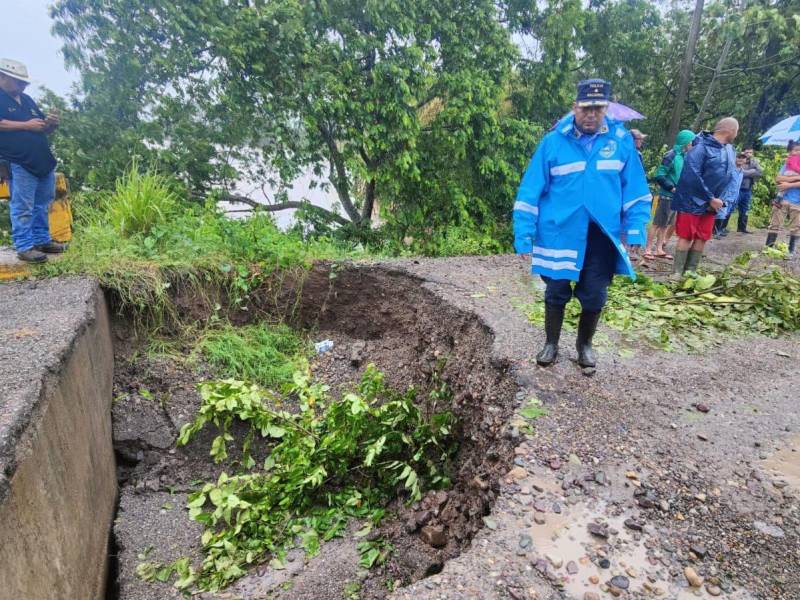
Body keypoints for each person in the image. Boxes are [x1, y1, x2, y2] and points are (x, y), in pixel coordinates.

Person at [514, 79, 651, 369]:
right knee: (556, 289)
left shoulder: (620, 142)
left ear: (606, 109)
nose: (591, 114)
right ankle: (551, 343)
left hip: (601, 235)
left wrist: (636, 229)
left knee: (595, 294)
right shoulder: (553, 142)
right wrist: (523, 233)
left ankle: (584, 346)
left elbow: (636, 191)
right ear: (575, 107)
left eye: (598, 108)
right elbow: (530, 190)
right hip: (559, 233)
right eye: (586, 108)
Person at [0, 58, 63, 263]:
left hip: (41, 160)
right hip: (18, 161)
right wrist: (26, 125)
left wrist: (51, 124)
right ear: (3, 77)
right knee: (23, 204)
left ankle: (42, 239)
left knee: (42, 202)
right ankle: (25, 246)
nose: (22, 85)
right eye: (18, 81)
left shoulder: (27, 100)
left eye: (24, 82)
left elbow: (41, 126)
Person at [670, 117, 739, 275]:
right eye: (736, 131)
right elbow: (692, 175)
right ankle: (677, 273)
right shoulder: (700, 147)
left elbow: (729, 175)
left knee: (702, 236)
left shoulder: (729, 149)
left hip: (713, 202)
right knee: (687, 236)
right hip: (692, 199)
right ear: (729, 130)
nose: (736, 134)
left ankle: (690, 272)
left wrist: (721, 199)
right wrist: (709, 197)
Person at [645, 129, 695, 259]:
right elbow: (659, 175)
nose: (693, 146)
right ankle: (648, 249)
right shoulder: (671, 155)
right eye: (691, 143)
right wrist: (671, 188)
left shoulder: (685, 157)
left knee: (666, 224)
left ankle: (659, 248)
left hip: (676, 197)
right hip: (666, 194)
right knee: (657, 223)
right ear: (685, 142)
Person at [765, 140, 800, 256]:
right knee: (774, 224)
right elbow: (778, 179)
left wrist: (788, 184)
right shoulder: (787, 164)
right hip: (782, 199)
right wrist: (795, 179)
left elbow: (783, 180)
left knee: (796, 227)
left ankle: (791, 251)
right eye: (796, 150)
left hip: (798, 201)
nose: (798, 152)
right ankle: (768, 248)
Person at [713, 153, 745, 237]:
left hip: (734, 196)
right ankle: (715, 232)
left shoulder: (742, 171)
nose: (741, 159)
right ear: (734, 158)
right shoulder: (730, 169)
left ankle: (720, 229)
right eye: (739, 157)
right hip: (725, 195)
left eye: (743, 158)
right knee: (721, 212)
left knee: (726, 212)